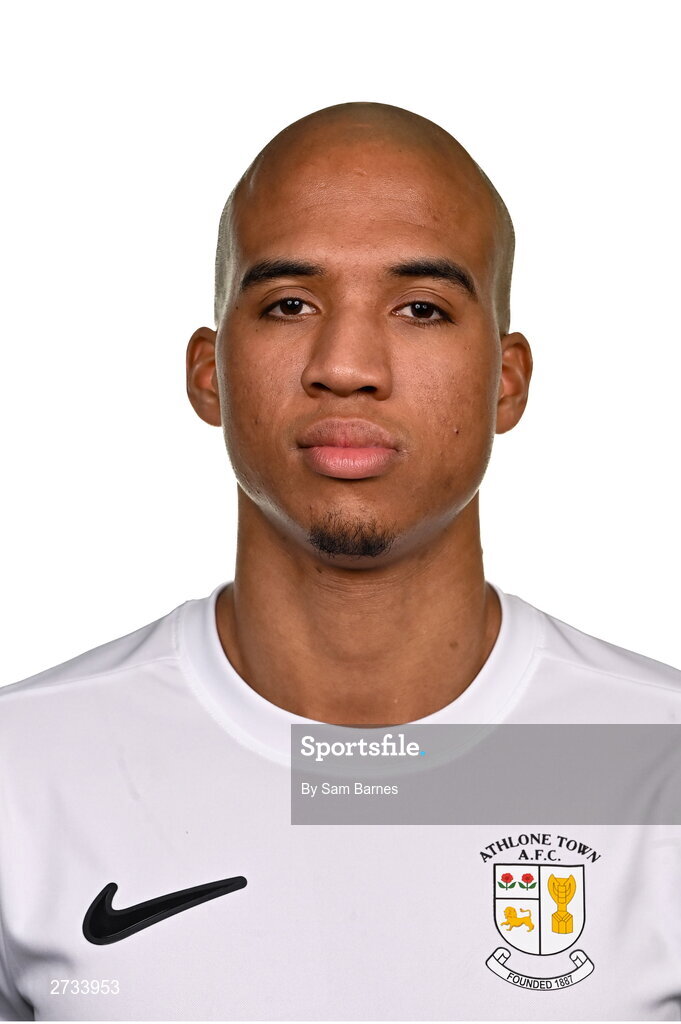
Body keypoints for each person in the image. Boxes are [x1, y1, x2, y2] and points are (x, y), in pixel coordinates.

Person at [0, 101, 680, 1022]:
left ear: (506, 381)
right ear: (209, 372)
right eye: (289, 304)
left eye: (420, 307)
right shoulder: (26, 768)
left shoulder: (656, 761)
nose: (348, 364)